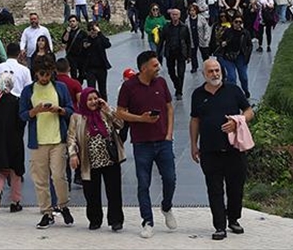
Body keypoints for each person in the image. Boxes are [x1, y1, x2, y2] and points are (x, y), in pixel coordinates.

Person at [190, 58, 254, 240]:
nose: (215, 74)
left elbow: (249, 111)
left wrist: (237, 121)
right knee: (214, 189)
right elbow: (195, 120)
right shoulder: (198, 94)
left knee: (236, 188)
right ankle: (219, 226)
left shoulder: (233, 90)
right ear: (204, 74)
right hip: (210, 151)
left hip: (234, 150)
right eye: (210, 71)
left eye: (217, 70)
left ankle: (233, 219)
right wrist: (194, 144)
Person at [116, 50, 176, 239]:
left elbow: (169, 107)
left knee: (170, 179)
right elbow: (120, 112)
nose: (159, 68)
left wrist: (169, 133)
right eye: (155, 65)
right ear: (144, 68)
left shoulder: (161, 82)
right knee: (143, 183)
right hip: (142, 143)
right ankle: (147, 221)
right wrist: (140, 119)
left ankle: (166, 207)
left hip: (163, 141)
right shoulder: (129, 87)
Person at [18, 56, 75, 229]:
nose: (45, 78)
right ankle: (47, 212)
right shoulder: (28, 91)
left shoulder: (61, 88)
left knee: (59, 176)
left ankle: (63, 205)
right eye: (42, 74)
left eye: (48, 74)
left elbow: (71, 109)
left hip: (58, 139)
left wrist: (60, 110)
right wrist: (34, 111)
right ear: (35, 73)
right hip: (38, 142)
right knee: (40, 179)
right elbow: (22, 115)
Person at [68, 86, 125, 232]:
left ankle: (116, 220)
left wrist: (107, 108)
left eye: (95, 98)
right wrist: (73, 154)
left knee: (114, 191)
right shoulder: (77, 117)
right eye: (90, 99)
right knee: (91, 193)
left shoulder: (104, 112)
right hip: (89, 161)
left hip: (110, 159)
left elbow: (120, 124)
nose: (93, 102)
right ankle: (94, 219)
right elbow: (71, 138)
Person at [0, 72, 26, 214]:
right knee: (15, 173)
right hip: (14, 140)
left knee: (1, 171)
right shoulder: (16, 101)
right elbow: (21, 122)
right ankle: (15, 202)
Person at [216, 16, 252, 97]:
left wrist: (247, 55)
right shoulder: (228, 31)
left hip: (241, 57)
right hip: (228, 57)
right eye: (236, 22)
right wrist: (223, 43)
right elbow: (220, 40)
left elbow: (249, 45)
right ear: (232, 22)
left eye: (240, 22)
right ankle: (232, 94)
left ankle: (246, 90)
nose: (238, 24)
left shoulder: (245, 33)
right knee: (231, 77)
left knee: (243, 77)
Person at [162, 9, 192, 99]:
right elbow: (161, 40)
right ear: (170, 15)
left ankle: (179, 91)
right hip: (170, 51)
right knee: (171, 71)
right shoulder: (166, 27)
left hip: (181, 52)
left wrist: (189, 55)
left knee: (181, 72)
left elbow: (188, 42)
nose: (175, 16)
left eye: (176, 14)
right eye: (173, 14)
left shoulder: (184, 27)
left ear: (179, 16)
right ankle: (176, 84)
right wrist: (158, 53)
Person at [78, 22, 112, 99]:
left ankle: (104, 107)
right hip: (90, 69)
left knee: (102, 90)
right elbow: (80, 54)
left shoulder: (101, 39)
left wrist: (99, 32)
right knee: (91, 90)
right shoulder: (86, 40)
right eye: (90, 30)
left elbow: (108, 44)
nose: (92, 32)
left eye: (94, 30)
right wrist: (84, 48)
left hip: (101, 68)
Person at [60, 16, 87, 81]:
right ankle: (75, 86)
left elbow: (86, 42)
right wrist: (67, 32)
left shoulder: (82, 33)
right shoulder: (67, 32)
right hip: (71, 56)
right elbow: (64, 40)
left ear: (77, 22)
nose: (72, 23)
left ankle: (79, 84)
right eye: (70, 21)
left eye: (73, 21)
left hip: (81, 56)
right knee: (73, 73)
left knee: (82, 74)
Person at [187, 4, 212, 72]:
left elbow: (206, 27)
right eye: (190, 11)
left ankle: (207, 66)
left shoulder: (201, 18)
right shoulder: (187, 20)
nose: (192, 12)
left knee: (204, 54)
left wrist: (206, 36)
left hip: (202, 38)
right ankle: (194, 67)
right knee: (193, 54)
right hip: (192, 39)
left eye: (193, 10)